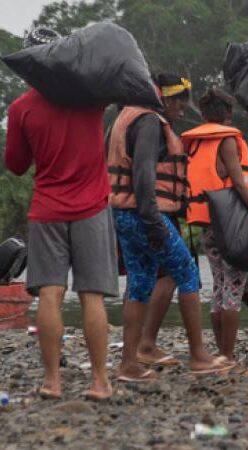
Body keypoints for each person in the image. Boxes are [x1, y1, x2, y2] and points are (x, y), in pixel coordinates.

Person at [4, 27, 115, 400]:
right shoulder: (90, 98)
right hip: (92, 208)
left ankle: (52, 382)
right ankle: (99, 381)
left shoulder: (21, 108)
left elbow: (16, 166)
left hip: (46, 210)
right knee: (92, 296)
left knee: (49, 295)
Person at [109, 74, 234, 380]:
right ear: (162, 99)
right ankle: (199, 356)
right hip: (147, 214)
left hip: (123, 213)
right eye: (178, 100)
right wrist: (153, 221)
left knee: (140, 282)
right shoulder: (150, 122)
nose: (181, 108)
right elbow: (143, 176)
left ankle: (130, 363)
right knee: (188, 273)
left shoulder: (124, 119)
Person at [182, 89, 248, 363]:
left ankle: (220, 352)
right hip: (230, 225)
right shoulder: (226, 139)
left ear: (202, 114)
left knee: (219, 286)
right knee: (234, 288)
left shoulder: (197, 142)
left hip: (207, 223)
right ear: (228, 113)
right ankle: (226, 355)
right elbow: (237, 183)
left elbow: (223, 177)